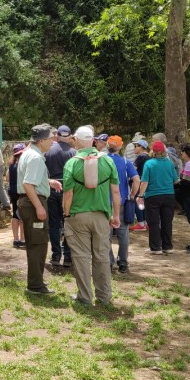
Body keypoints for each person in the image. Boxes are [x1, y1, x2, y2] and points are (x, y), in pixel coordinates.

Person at [62, 127, 120, 305]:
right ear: (93, 140)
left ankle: (85, 296)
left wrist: (66, 213)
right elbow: (116, 192)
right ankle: (104, 296)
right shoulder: (108, 162)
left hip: (78, 215)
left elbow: (68, 194)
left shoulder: (71, 163)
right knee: (102, 256)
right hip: (101, 216)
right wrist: (115, 215)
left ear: (77, 141)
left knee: (81, 257)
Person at [17, 124, 63, 295]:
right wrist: (38, 206)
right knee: (39, 244)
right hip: (33, 202)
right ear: (42, 140)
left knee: (35, 243)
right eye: (51, 138)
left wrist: (47, 181)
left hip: (28, 201)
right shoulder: (35, 158)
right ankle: (36, 285)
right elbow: (28, 184)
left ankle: (35, 282)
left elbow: (29, 179)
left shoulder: (29, 154)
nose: (53, 141)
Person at [136, 141, 178, 255]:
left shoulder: (149, 164)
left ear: (153, 151)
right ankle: (167, 246)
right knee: (167, 222)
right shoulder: (169, 163)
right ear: (164, 151)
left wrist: (140, 195)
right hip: (169, 195)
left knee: (153, 222)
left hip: (153, 196)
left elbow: (144, 182)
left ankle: (155, 247)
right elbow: (176, 179)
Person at [107, 136, 140, 273]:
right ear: (120, 147)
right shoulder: (126, 162)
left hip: (105, 202)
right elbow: (136, 180)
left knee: (105, 235)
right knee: (123, 233)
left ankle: (108, 262)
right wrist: (132, 195)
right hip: (121, 201)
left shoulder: (103, 160)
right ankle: (123, 263)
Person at [44, 124, 76, 267]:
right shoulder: (74, 152)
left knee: (54, 224)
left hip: (52, 188)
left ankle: (56, 255)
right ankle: (68, 257)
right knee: (68, 222)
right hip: (68, 189)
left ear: (57, 135)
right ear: (69, 136)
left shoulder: (48, 150)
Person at [8, 143, 26, 248]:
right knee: (23, 216)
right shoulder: (22, 164)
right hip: (21, 192)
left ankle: (15, 239)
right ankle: (23, 239)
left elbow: (7, 179)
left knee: (15, 215)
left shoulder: (11, 164)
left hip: (12, 192)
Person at [130, 139, 150, 231]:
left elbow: (133, 169)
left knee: (136, 200)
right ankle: (145, 222)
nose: (134, 148)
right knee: (143, 202)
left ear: (141, 147)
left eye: (136, 146)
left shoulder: (141, 156)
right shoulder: (149, 156)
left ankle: (141, 223)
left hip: (139, 181)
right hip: (146, 182)